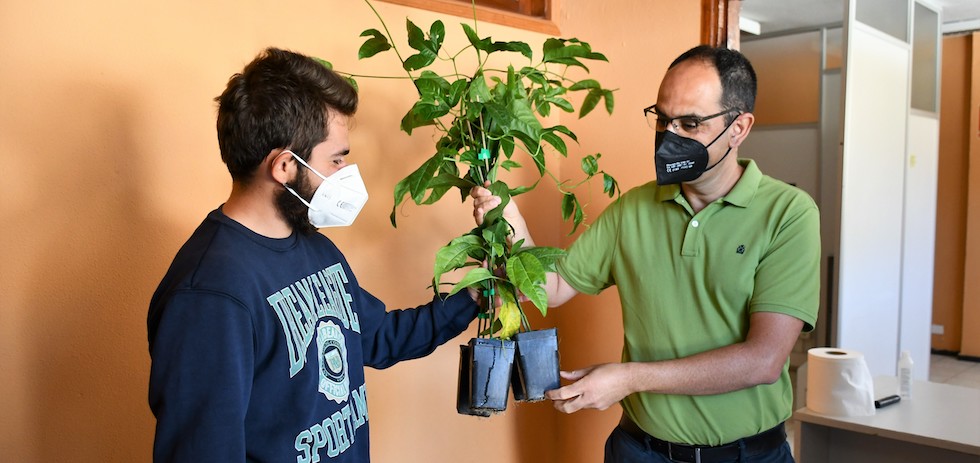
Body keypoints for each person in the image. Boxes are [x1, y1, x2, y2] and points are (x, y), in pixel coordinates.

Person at [471, 45, 819, 463]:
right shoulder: (633, 208)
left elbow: (762, 360)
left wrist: (629, 378)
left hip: (749, 455)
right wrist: (510, 219)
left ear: (739, 127)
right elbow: (552, 286)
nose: (670, 136)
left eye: (690, 123)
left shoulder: (789, 214)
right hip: (640, 451)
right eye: (662, 118)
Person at [147, 47, 479, 462]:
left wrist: (472, 297)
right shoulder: (211, 295)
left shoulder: (313, 245)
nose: (346, 173)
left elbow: (376, 338)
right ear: (285, 166)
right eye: (337, 158)